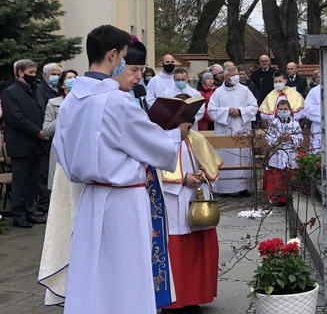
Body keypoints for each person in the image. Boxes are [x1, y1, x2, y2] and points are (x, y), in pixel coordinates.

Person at [52, 25, 189, 314]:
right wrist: (177, 131)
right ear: (113, 56)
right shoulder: (116, 102)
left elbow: (63, 155)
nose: (126, 65)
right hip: (124, 201)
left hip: (90, 197)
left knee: (94, 275)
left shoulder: (70, 101)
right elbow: (159, 150)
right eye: (125, 58)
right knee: (126, 277)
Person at [161, 127, 222, 314]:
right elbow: (156, 170)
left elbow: (209, 165)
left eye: (188, 124)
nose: (186, 129)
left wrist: (202, 173)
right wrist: (182, 179)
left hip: (197, 198)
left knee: (197, 248)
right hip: (171, 200)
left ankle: (195, 297)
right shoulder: (162, 139)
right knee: (176, 250)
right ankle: (174, 301)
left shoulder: (196, 138)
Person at [0, 59, 49, 228]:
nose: (33, 76)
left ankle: (29, 211)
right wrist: (38, 132)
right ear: (20, 73)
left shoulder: (35, 90)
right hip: (21, 144)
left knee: (32, 180)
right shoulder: (10, 92)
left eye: (35, 73)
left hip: (37, 144)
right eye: (30, 73)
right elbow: (15, 118)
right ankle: (18, 214)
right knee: (20, 181)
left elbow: (42, 111)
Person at [207, 65, 258, 195]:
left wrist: (240, 111)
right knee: (225, 156)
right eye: (233, 75)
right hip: (225, 130)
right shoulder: (218, 92)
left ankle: (243, 187)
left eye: (237, 74)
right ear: (225, 77)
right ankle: (224, 188)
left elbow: (254, 106)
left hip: (241, 128)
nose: (236, 77)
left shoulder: (245, 90)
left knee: (242, 157)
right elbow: (211, 110)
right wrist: (227, 112)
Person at [42, 70, 78, 192]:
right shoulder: (53, 103)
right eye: (69, 78)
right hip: (61, 150)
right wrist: (63, 117)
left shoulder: (85, 101)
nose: (73, 80)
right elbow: (46, 130)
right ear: (62, 84)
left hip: (78, 150)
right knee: (61, 190)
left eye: (75, 77)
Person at [263, 98, 303, 205]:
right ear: (277, 111)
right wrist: (279, 139)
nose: (283, 111)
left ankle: (292, 197)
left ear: (290, 110)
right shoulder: (273, 123)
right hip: (277, 152)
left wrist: (290, 138)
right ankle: (278, 199)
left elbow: (300, 138)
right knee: (278, 175)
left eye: (286, 109)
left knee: (290, 173)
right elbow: (269, 138)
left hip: (290, 151)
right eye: (281, 109)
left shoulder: (295, 124)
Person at [35, 62, 63, 214]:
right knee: (45, 173)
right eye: (53, 74)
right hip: (46, 137)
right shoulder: (41, 91)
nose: (56, 77)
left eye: (59, 75)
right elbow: (41, 113)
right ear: (45, 76)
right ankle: (44, 203)